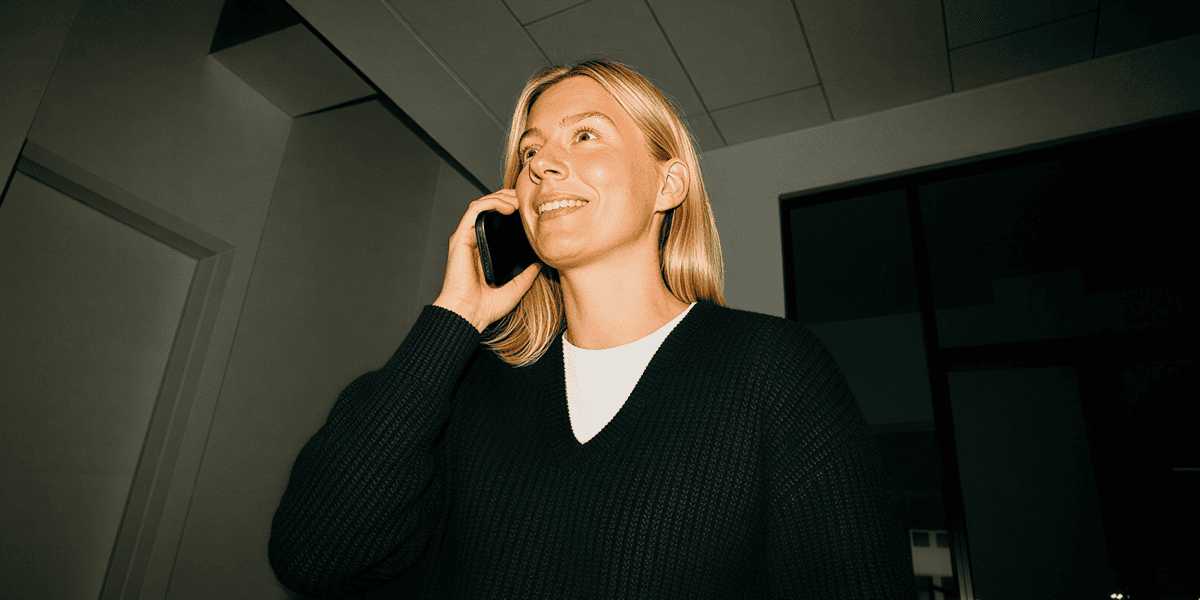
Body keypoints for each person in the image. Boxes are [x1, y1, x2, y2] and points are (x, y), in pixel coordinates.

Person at [269, 59, 915, 598]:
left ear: (668, 184)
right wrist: (454, 320)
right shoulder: (469, 390)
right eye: (530, 151)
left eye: (584, 136)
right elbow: (312, 554)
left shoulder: (772, 368)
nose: (542, 164)